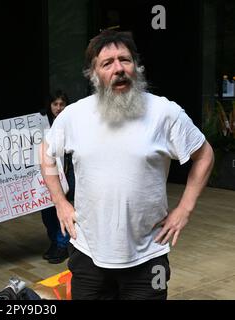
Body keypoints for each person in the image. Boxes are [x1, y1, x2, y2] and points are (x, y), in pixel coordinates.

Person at [40, 30, 214, 300]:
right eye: (107, 63)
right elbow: (46, 152)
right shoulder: (74, 115)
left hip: (148, 257)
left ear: (137, 67)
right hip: (88, 255)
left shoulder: (165, 113)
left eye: (125, 60)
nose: (118, 68)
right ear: (94, 74)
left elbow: (204, 155)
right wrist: (60, 202)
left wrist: (185, 208)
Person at [40, 90, 75, 264]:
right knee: (46, 211)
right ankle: (55, 241)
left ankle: (62, 245)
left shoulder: (71, 124)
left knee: (62, 206)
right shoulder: (40, 124)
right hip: (44, 174)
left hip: (65, 172)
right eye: (55, 104)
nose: (59, 108)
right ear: (50, 106)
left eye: (62, 104)